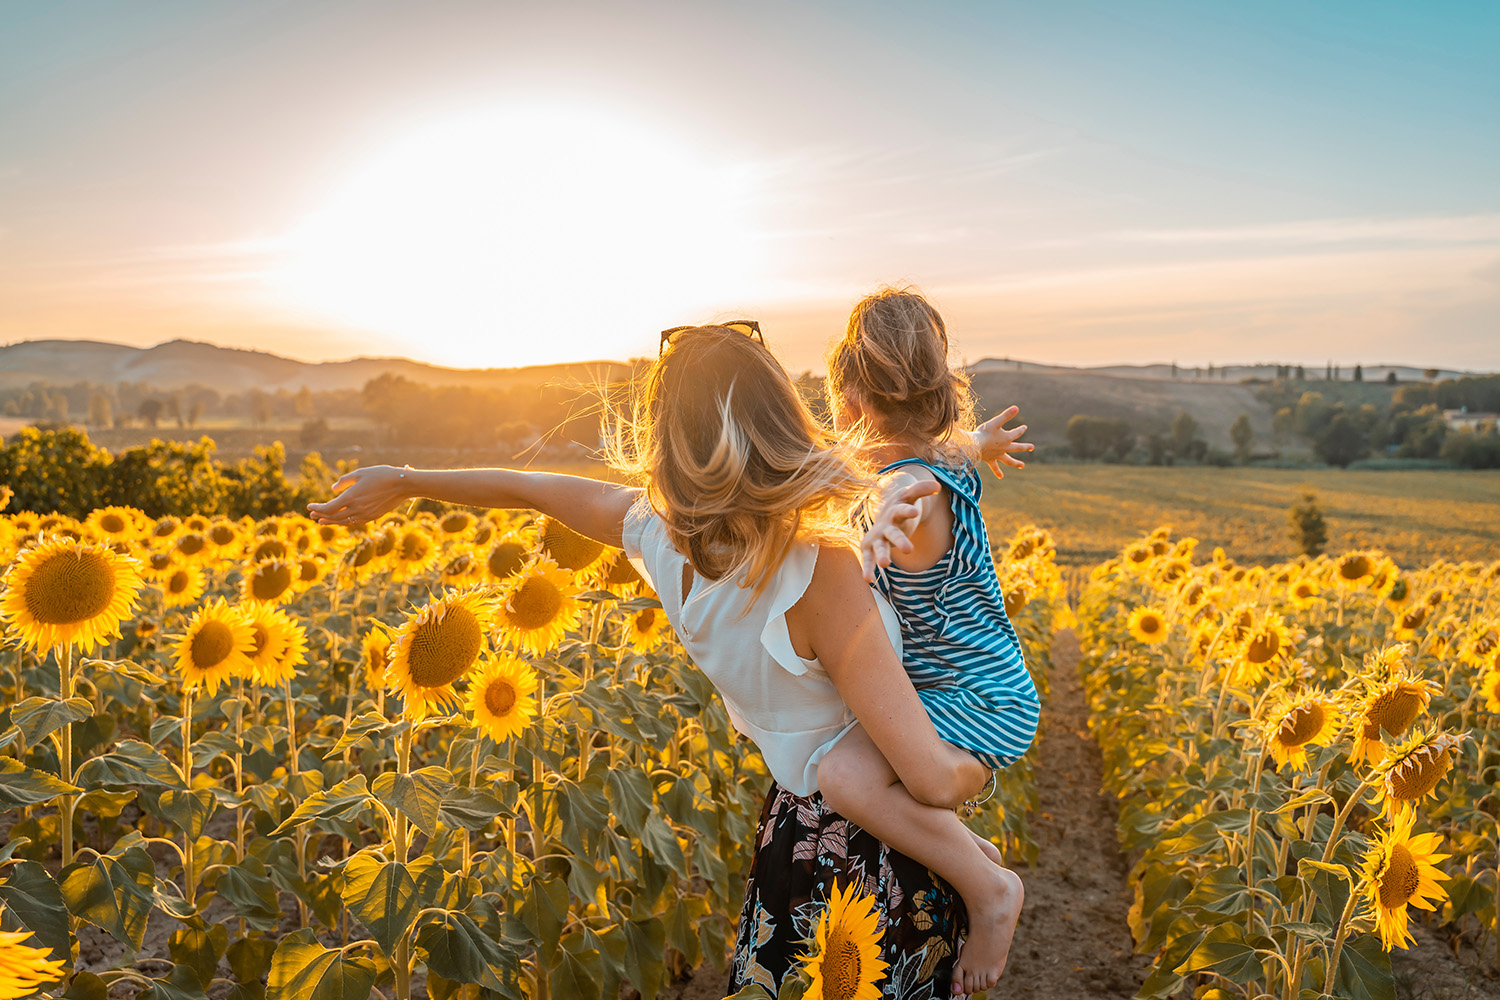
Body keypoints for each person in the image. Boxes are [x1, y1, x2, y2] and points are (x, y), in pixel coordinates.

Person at [308, 324, 991, 998]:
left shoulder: (663, 540)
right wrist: (982, 779)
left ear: (668, 439)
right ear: (780, 419)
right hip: (879, 854)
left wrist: (404, 481)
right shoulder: (817, 567)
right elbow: (924, 773)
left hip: (811, 841)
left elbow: (531, 488)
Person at [813, 288, 1041, 995]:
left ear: (849, 396)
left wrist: (879, 524)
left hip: (967, 693)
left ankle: (991, 892)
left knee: (843, 778)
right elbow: (946, 453)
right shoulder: (946, 458)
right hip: (984, 683)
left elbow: (903, 490)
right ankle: (970, 852)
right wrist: (983, 443)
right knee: (861, 769)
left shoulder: (908, 485)